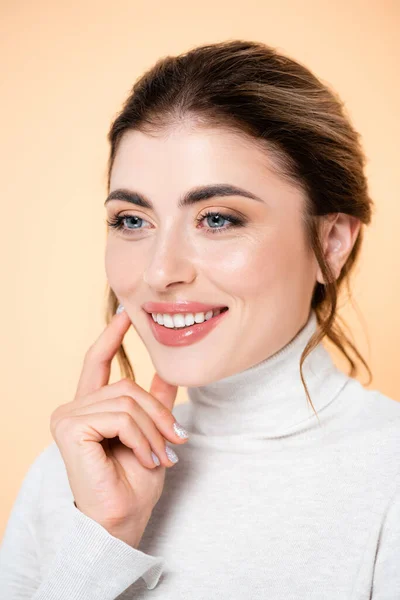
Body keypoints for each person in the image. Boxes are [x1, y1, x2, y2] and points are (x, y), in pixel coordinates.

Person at [0, 39, 399, 600]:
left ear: (331, 243)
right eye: (132, 220)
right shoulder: (70, 472)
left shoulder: (389, 475)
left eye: (216, 218)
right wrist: (102, 537)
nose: (160, 272)